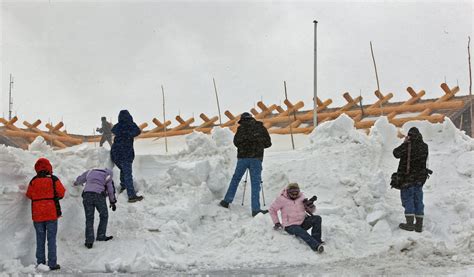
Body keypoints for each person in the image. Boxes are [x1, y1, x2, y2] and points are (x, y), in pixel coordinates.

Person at [219, 112, 272, 217]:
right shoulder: (260, 128)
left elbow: (236, 142)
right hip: (256, 158)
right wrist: (258, 144)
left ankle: (226, 201)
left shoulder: (241, 129)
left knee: (236, 179)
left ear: (242, 120)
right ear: (252, 118)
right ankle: (255, 209)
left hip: (243, 158)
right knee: (255, 183)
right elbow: (268, 143)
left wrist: (245, 144)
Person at [26, 158, 66, 270]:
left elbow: (29, 195)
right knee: (51, 239)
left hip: (37, 214)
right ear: (49, 167)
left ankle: (40, 263)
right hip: (51, 213)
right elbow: (62, 192)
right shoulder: (53, 179)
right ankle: (52, 263)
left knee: (40, 239)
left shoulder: (33, 180)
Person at [269, 183, 324, 253]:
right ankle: (316, 246)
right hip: (290, 225)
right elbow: (272, 209)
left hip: (302, 222)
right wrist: (276, 222)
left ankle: (317, 239)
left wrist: (310, 205)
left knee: (317, 218)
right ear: (288, 192)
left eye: (296, 193)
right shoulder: (281, 199)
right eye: (292, 193)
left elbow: (311, 211)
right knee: (300, 231)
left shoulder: (302, 197)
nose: (295, 195)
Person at [393, 127, 429, 232]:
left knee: (408, 200)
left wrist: (405, 143)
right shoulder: (424, 146)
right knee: (418, 200)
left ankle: (409, 224)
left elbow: (396, 153)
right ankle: (419, 225)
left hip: (407, 177)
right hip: (420, 178)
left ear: (409, 136)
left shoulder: (407, 145)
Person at [74, 168, 117, 249]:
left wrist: (75, 183)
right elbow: (110, 190)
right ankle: (101, 235)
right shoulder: (108, 175)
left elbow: (80, 180)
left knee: (89, 218)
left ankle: (89, 241)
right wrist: (112, 201)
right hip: (99, 196)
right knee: (104, 215)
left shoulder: (89, 172)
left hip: (87, 195)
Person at [110, 110, 143, 203]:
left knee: (123, 170)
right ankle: (131, 195)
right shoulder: (130, 125)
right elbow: (137, 131)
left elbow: (113, 130)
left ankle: (123, 186)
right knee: (127, 173)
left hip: (115, 152)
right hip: (125, 153)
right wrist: (131, 123)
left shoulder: (118, 126)